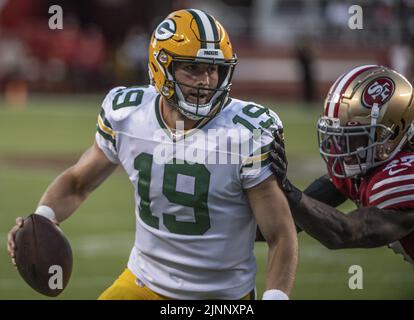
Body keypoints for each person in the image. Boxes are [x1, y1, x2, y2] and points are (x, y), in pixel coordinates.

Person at [7, 9, 298, 300]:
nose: (205, 80)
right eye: (192, 68)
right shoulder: (128, 114)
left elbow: (281, 234)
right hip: (142, 281)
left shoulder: (247, 133)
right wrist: (41, 220)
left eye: (213, 69)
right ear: (162, 67)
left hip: (221, 297)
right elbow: (77, 183)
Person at [270, 65, 414, 266]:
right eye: (337, 136)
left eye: (357, 137)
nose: (341, 149)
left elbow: (347, 232)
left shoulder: (401, 179)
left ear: (394, 132)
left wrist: (285, 189)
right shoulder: (363, 168)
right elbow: (286, 220)